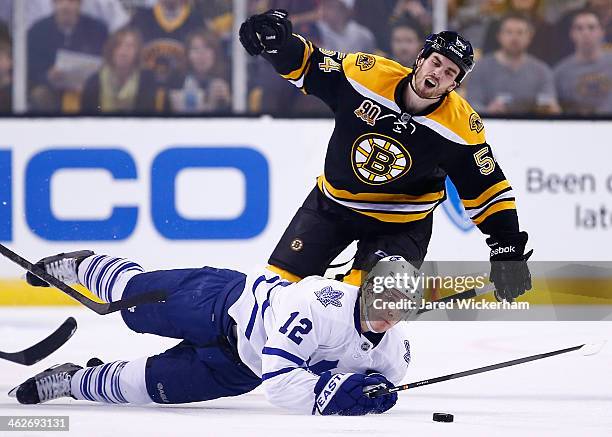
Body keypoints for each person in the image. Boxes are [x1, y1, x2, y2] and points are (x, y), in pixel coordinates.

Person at [239, 10, 533, 302]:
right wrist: (278, 43)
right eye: (436, 62)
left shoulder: (460, 127)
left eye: (449, 73)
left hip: (401, 224)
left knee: (361, 303)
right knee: (275, 291)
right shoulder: (366, 76)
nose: (437, 74)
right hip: (332, 204)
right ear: (421, 58)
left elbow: (488, 190)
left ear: (454, 85)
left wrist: (506, 248)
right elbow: (310, 65)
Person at [11, 251, 416, 416]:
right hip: (221, 306)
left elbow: (382, 384)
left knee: (142, 387)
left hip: (237, 370)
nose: (392, 309)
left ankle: (72, 379)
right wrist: (331, 398)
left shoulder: (394, 352)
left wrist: (375, 396)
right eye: (385, 294)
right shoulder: (319, 302)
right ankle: (82, 265)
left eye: (401, 301)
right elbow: (280, 384)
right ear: (367, 287)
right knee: (131, 303)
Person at [466, 13, 560, 115]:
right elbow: (471, 105)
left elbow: (551, 104)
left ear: (530, 37)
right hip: (491, 127)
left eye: (520, 33)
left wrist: (551, 109)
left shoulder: (542, 71)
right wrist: (488, 111)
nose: (514, 38)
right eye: (509, 32)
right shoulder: (481, 68)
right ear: (499, 36)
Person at [27, 0, 108, 112]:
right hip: (52, 89)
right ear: (53, 4)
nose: (65, 6)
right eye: (60, 1)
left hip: (89, 89)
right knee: (40, 94)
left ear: (79, 4)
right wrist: (47, 76)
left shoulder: (97, 29)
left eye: (71, 1)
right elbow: (31, 69)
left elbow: (105, 61)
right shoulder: (37, 31)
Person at [81, 27, 163, 113]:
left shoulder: (147, 82)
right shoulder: (93, 82)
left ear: (137, 52)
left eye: (129, 46)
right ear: (111, 50)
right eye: (118, 45)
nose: (123, 52)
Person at [554, 9, 612, 115]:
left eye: (591, 27)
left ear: (602, 32)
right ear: (572, 34)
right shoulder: (560, 72)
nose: (586, 33)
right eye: (579, 28)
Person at [167, 29, 231, 113]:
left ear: (215, 53)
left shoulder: (229, 77)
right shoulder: (177, 81)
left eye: (207, 48)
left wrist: (228, 101)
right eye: (195, 49)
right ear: (187, 55)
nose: (201, 54)